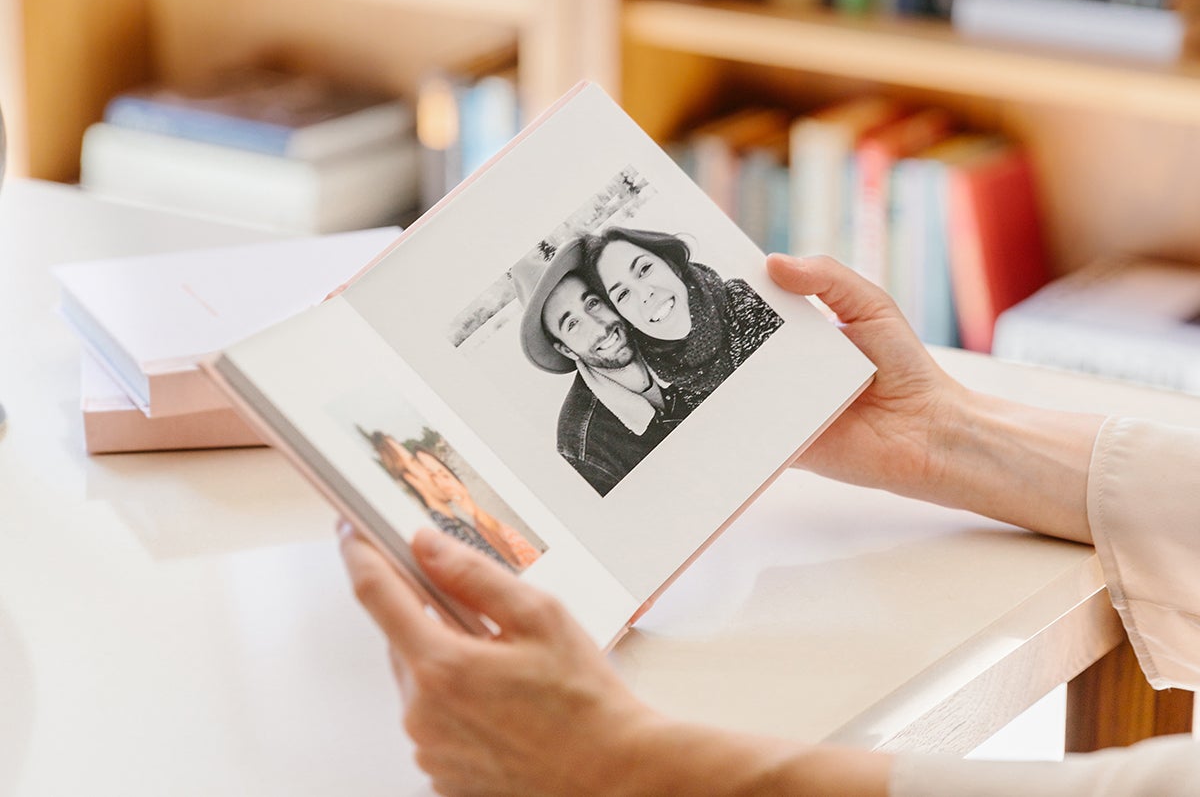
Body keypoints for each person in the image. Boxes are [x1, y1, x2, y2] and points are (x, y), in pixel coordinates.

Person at [340, 254, 1200, 796]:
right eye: (584, 315)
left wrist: (625, 768)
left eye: (612, 299)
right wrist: (943, 438)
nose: (613, 315)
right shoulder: (579, 428)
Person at [512, 237, 694, 496]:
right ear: (565, 349)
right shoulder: (584, 447)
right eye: (572, 324)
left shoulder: (672, 334)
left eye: (592, 303)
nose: (599, 327)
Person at [583, 226, 784, 410]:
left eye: (644, 269)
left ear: (670, 264)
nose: (645, 295)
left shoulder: (755, 301)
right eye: (623, 295)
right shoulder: (671, 392)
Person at [357, 426, 514, 571]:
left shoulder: (453, 523)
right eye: (416, 464)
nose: (431, 471)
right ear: (412, 480)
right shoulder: (447, 535)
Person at [412, 447, 543, 571]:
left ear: (455, 478)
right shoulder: (468, 529)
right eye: (433, 477)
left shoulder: (488, 526)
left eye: (444, 475)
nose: (442, 483)